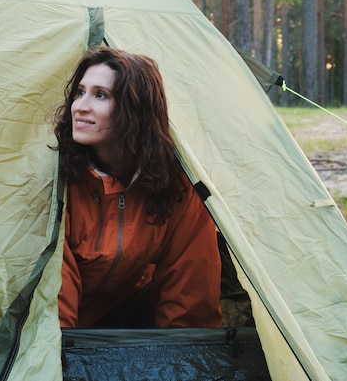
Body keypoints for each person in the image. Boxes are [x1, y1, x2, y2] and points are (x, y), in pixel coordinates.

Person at [53, 47, 222, 328]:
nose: (80, 106)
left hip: (130, 312)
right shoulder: (59, 180)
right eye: (80, 92)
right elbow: (53, 302)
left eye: (100, 95)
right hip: (64, 328)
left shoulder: (177, 185)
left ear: (134, 109)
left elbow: (190, 294)